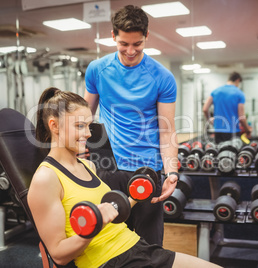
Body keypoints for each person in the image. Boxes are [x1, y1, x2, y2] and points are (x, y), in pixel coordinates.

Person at [27, 87, 222, 268]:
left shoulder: (88, 166)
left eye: (89, 126)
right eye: (79, 126)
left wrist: (135, 196)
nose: (87, 134)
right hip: (110, 261)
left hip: (136, 248)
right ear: (54, 126)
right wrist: (94, 226)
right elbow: (59, 254)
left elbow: (112, 211)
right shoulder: (46, 179)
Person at [84, 5, 178, 245]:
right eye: (124, 43)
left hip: (147, 169)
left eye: (137, 44)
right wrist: (76, 152)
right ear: (113, 36)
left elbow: (167, 131)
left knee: (149, 243)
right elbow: (84, 119)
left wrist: (171, 172)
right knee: (109, 241)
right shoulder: (97, 70)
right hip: (107, 167)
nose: (130, 51)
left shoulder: (162, 77)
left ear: (147, 36)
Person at [202, 71, 252, 144]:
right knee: (232, 153)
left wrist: (209, 119)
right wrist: (247, 130)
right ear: (237, 80)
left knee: (220, 153)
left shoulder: (215, 91)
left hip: (218, 130)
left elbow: (205, 109)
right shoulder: (239, 93)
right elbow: (241, 117)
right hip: (233, 131)